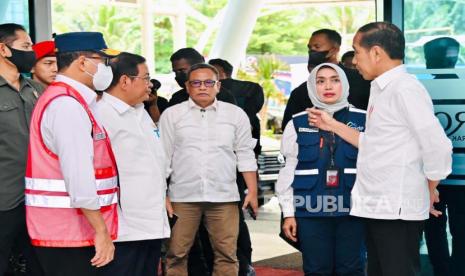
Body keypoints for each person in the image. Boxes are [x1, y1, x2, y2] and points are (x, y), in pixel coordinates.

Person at [309, 22, 453, 276]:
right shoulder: (381, 88)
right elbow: (373, 144)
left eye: (357, 52)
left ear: (376, 53)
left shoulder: (405, 89)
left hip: (395, 208)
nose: (354, 61)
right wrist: (331, 124)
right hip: (377, 204)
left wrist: (428, 188)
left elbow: (438, 146)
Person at [25, 32, 119, 276]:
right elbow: (79, 176)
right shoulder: (66, 106)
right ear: (83, 63)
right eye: (103, 60)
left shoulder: (70, 100)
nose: (106, 68)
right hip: (70, 234)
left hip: (69, 232)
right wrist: (101, 231)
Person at [160, 63, 258, 276]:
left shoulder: (235, 115)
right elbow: (163, 157)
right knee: (176, 253)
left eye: (208, 82)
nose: (202, 87)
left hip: (223, 196)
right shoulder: (172, 115)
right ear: (187, 87)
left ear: (218, 86)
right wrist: (162, 194)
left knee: (227, 254)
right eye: (196, 83)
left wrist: (252, 191)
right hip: (182, 196)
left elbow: (245, 154)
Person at [277, 63, 365, 275]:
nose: (328, 86)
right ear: (311, 86)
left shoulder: (364, 119)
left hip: (354, 211)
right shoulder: (297, 123)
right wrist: (288, 213)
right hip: (310, 212)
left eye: (335, 80)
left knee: (351, 269)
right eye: (320, 80)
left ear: (344, 84)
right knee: (316, 270)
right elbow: (288, 171)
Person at [97, 52, 170, 276]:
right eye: (146, 78)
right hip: (124, 224)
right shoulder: (101, 114)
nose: (150, 85)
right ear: (125, 81)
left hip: (151, 218)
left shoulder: (140, 111)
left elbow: (152, 160)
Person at [208, 58, 262, 276]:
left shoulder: (231, 105)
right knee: (234, 226)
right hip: (233, 177)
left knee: (230, 229)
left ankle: (242, 265)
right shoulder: (250, 95)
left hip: (229, 177)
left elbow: (245, 151)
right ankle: (245, 264)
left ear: (219, 75)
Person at [0, 23, 44, 276]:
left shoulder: (37, 91)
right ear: (3, 50)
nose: (31, 53)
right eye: (25, 47)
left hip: (39, 197)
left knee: (39, 265)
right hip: (5, 198)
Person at [423, 37, 465, 276]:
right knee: (460, 228)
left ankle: (442, 270)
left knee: (434, 226)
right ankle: (457, 270)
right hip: (459, 173)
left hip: (432, 174)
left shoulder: (422, 89)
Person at [282, 29, 370, 130]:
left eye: (317, 47)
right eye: (310, 48)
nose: (328, 87)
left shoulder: (361, 82)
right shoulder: (300, 92)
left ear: (334, 50)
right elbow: (289, 129)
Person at [168, 47, 236, 106]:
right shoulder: (177, 98)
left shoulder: (222, 97)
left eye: (182, 70)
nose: (177, 75)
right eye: (175, 72)